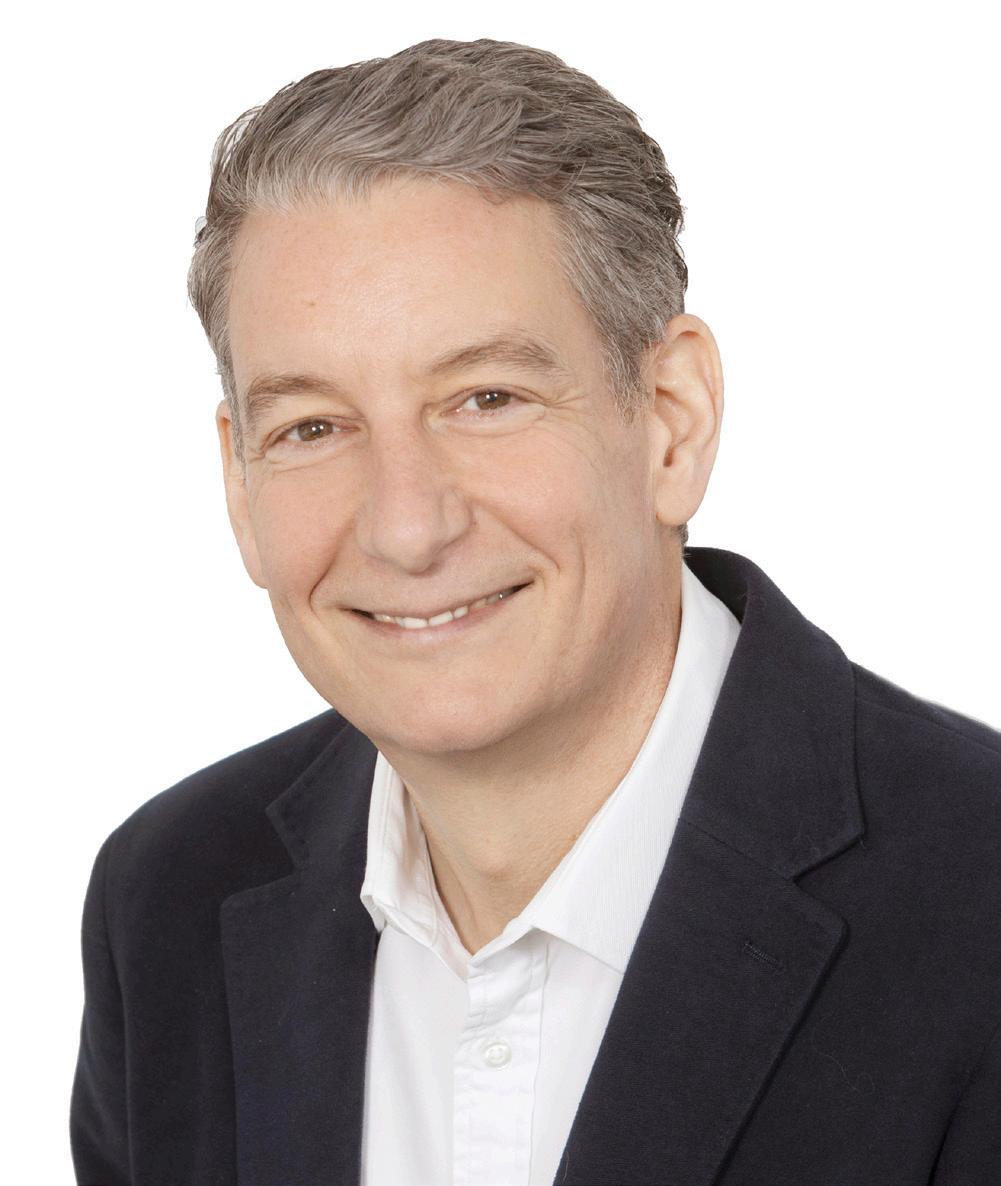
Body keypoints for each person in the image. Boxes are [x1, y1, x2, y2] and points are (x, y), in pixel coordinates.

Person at [70, 37, 1001, 1186]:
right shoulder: (168, 901)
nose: (405, 527)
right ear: (238, 480)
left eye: (486, 398)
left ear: (669, 419)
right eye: (311, 425)